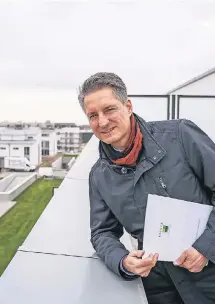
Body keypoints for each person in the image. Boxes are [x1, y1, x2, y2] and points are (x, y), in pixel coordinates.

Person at [78, 72, 215, 304]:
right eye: (93, 115)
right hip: (158, 287)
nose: (102, 122)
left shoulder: (180, 135)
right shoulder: (99, 175)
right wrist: (123, 261)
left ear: (128, 106)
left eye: (109, 109)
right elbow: (102, 233)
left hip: (209, 272)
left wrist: (206, 248)